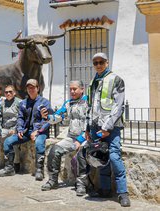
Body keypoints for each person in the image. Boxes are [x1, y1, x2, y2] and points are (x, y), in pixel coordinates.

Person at [76, 52, 130, 207]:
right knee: (100, 157)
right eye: (95, 63)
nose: (98, 65)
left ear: (107, 62)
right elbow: (90, 106)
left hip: (111, 127)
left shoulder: (116, 80)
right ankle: (105, 189)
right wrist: (87, 127)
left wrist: (107, 127)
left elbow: (118, 106)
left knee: (114, 157)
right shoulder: (93, 81)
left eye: (101, 62)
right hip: (94, 126)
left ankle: (122, 193)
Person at [0, 79, 52, 180]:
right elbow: (20, 118)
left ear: (38, 88)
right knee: (8, 142)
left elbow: (48, 120)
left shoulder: (45, 102)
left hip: (40, 132)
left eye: (33, 87)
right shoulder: (23, 103)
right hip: (26, 132)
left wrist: (38, 131)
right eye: (29, 87)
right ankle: (9, 168)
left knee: (39, 143)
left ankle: (39, 170)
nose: (31, 89)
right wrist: (20, 129)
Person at [40, 81, 88, 191]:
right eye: (70, 89)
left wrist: (81, 139)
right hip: (71, 137)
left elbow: (90, 123)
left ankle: (81, 184)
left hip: (86, 137)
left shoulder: (88, 102)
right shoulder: (68, 103)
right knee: (54, 150)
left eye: (75, 89)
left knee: (81, 154)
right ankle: (53, 180)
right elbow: (58, 116)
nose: (72, 91)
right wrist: (47, 117)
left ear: (82, 89)